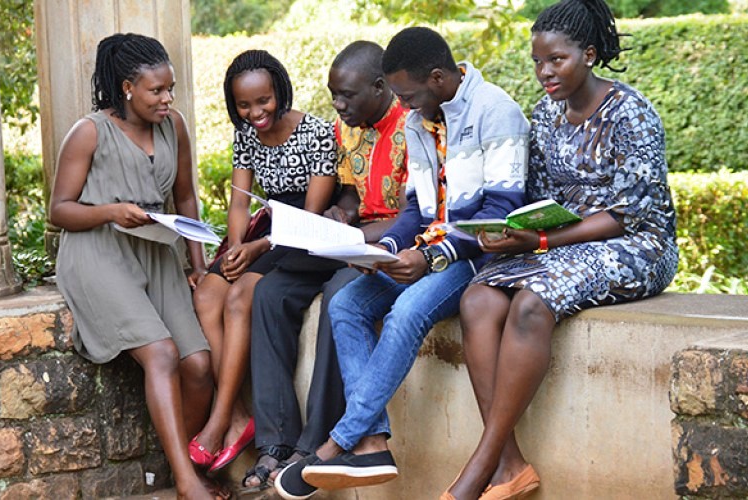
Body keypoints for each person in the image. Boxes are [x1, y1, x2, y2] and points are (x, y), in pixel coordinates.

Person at [275, 27, 530, 497]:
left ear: (437, 78)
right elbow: (416, 208)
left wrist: (431, 256)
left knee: (406, 313)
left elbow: (501, 212)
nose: (404, 107)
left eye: (408, 95)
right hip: (428, 251)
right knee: (347, 305)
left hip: (476, 258)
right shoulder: (418, 122)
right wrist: (386, 250)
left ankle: (339, 441)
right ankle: (372, 440)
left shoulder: (497, 112)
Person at [443, 1, 679, 498]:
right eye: (537, 62)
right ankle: (510, 466)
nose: (544, 72)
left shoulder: (631, 114)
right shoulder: (547, 113)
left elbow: (626, 215)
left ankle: (479, 466)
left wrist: (544, 241)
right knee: (478, 298)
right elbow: (543, 198)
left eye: (556, 60)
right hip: (563, 241)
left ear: (588, 54)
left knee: (531, 304)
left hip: (636, 244)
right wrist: (513, 232)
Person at [50, 34, 226, 499]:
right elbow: (60, 209)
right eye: (157, 91)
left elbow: (185, 196)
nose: (168, 98)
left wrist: (197, 265)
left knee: (199, 364)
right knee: (163, 354)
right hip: (98, 251)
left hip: (159, 251)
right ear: (128, 87)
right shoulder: (88, 132)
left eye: (170, 89)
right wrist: (110, 210)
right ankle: (188, 483)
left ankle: (178, 469)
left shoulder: (176, 125)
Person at [251, 40, 408, 497]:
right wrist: (342, 211)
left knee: (342, 299)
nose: (337, 106)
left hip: (387, 247)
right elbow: (349, 190)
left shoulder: (412, 127)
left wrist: (359, 234)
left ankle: (316, 441)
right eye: (333, 95)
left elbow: (420, 210)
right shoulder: (348, 129)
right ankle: (275, 440)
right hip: (347, 239)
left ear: (380, 88)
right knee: (269, 293)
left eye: (347, 96)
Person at [188, 50, 337, 479]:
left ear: (280, 91)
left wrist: (256, 250)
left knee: (238, 300)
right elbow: (239, 200)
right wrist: (236, 247)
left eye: (264, 100)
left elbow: (309, 219)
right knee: (208, 295)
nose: (256, 112)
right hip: (263, 233)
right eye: (244, 105)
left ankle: (219, 422)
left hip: (300, 236)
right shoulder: (246, 137)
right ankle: (236, 412)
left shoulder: (316, 133)